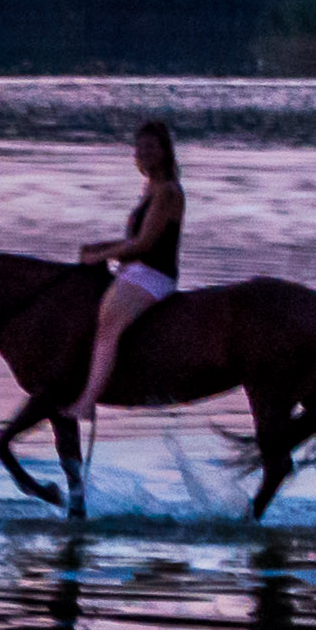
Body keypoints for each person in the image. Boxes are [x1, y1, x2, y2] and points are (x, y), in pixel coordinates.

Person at [67, 119, 186, 440]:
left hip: (155, 275)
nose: (143, 153)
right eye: (140, 147)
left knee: (108, 322)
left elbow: (145, 244)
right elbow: (133, 241)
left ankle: (86, 403)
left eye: (151, 147)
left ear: (165, 151)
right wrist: (99, 248)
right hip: (137, 269)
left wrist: (102, 255)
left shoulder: (167, 192)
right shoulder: (149, 189)